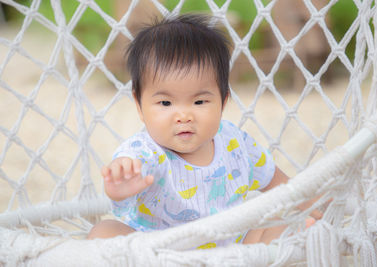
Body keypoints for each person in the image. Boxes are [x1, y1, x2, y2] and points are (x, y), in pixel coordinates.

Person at [88, 14, 318, 246]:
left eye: (199, 102)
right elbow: (126, 180)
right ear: (139, 106)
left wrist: (316, 209)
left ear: (223, 101)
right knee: (103, 231)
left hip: (232, 248)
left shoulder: (235, 143)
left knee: (285, 222)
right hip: (158, 250)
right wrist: (120, 190)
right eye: (165, 103)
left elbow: (282, 185)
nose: (184, 116)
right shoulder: (143, 152)